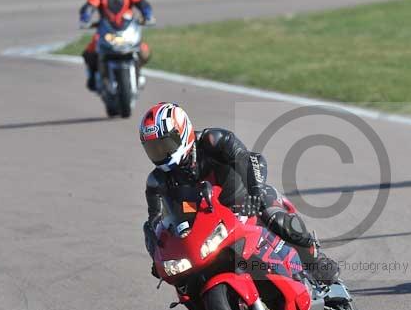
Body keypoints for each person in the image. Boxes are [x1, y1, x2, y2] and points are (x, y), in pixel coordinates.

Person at [139, 102, 339, 284]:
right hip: (207, 230)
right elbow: (155, 223)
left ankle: (314, 258)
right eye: (154, 149)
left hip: (245, 204)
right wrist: (158, 255)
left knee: (273, 215)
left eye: (165, 145)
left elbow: (250, 159)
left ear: (181, 132)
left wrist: (256, 191)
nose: (161, 153)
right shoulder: (157, 181)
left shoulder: (213, 140)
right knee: (185, 281)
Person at [79, 0, 155, 92]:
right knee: (89, 53)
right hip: (106, 31)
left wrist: (148, 16)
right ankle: (92, 77)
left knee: (144, 51)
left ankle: (137, 73)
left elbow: (144, 5)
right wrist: (85, 17)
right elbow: (89, 6)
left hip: (127, 31)